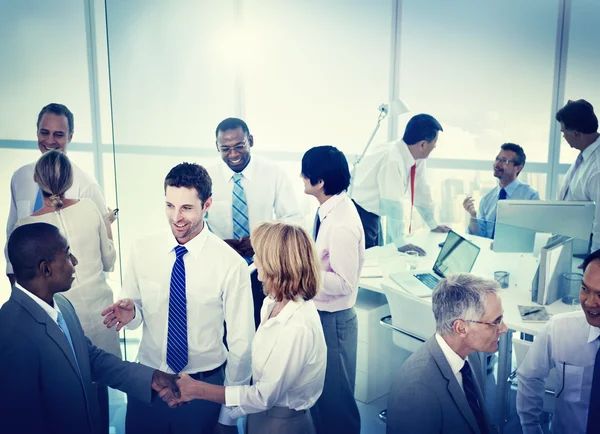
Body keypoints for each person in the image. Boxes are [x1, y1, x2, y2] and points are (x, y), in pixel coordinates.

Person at [101, 162, 254, 434]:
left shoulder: (230, 264)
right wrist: (132, 313)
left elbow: (242, 345)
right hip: (147, 384)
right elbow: (136, 312)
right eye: (170, 206)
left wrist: (228, 417)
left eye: (186, 208)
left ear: (207, 204)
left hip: (204, 388)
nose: (176, 217)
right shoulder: (142, 250)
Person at [0, 222, 179, 434]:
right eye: (67, 255)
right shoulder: (11, 332)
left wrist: (151, 377)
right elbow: (19, 423)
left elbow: (91, 359)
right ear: (45, 268)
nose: (74, 262)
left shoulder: (63, 305)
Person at [162, 222, 327, 434]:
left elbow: (263, 396)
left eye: (258, 255)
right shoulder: (271, 303)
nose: (254, 260)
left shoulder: (297, 327)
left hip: (283, 424)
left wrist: (197, 390)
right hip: (259, 418)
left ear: (275, 264)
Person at [12, 150, 119, 433]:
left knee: (65, 401)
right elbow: (109, 261)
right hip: (102, 318)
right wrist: (107, 226)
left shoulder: (25, 228)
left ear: (37, 180)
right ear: (71, 179)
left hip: (61, 328)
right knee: (101, 391)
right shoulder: (89, 208)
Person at [206, 117, 303, 328]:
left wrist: (262, 241)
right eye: (226, 149)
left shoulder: (273, 173)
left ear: (250, 140)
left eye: (239, 146)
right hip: (220, 269)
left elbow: (294, 220)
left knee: (261, 327)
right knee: (223, 329)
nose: (233, 154)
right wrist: (219, 243)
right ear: (217, 147)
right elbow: (196, 220)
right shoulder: (206, 177)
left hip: (264, 271)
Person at [5, 103, 113, 286]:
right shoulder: (20, 177)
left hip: (74, 294)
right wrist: (14, 283)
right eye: (44, 132)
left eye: (59, 134)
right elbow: (12, 233)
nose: (50, 140)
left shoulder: (88, 186)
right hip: (30, 290)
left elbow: (105, 258)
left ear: (70, 136)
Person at [387, 273, 506, 434]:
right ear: (461, 328)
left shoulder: (472, 354)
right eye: (496, 322)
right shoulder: (416, 390)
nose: (504, 328)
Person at [301, 145, 365, 434]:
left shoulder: (340, 224)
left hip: (334, 322)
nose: (301, 176)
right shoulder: (328, 210)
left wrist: (304, 273)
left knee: (337, 404)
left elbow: (344, 283)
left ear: (320, 181)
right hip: (323, 316)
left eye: (306, 172)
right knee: (322, 399)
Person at [517, 248, 600, 434]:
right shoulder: (560, 329)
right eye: (585, 289)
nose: (589, 302)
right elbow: (529, 376)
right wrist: (532, 429)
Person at [350, 113, 450, 255]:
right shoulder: (393, 159)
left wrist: (432, 224)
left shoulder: (417, 157)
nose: (435, 146)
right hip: (360, 213)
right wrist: (401, 242)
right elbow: (392, 203)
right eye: (434, 142)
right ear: (422, 144)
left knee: (376, 255)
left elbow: (421, 190)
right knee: (367, 262)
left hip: (373, 213)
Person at [463, 143, 539, 239]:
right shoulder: (487, 199)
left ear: (518, 168)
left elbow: (532, 236)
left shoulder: (530, 197)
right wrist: (473, 215)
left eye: (504, 161)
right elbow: (480, 237)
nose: (497, 164)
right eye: (497, 159)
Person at [556, 99, 600, 251]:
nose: (563, 137)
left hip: (586, 256)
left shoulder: (597, 168)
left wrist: (593, 262)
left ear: (575, 134)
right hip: (571, 246)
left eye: (563, 132)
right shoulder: (585, 155)